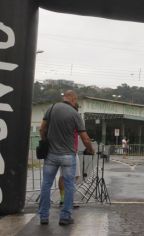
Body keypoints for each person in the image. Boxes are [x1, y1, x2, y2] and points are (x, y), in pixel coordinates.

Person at [38, 90, 94, 226]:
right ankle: (65, 217)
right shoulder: (75, 114)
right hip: (68, 155)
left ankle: (44, 216)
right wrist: (91, 149)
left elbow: (41, 129)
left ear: (64, 98)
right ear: (73, 99)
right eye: (76, 101)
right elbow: (85, 138)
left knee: (46, 184)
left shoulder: (51, 109)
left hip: (51, 155)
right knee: (69, 186)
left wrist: (46, 141)